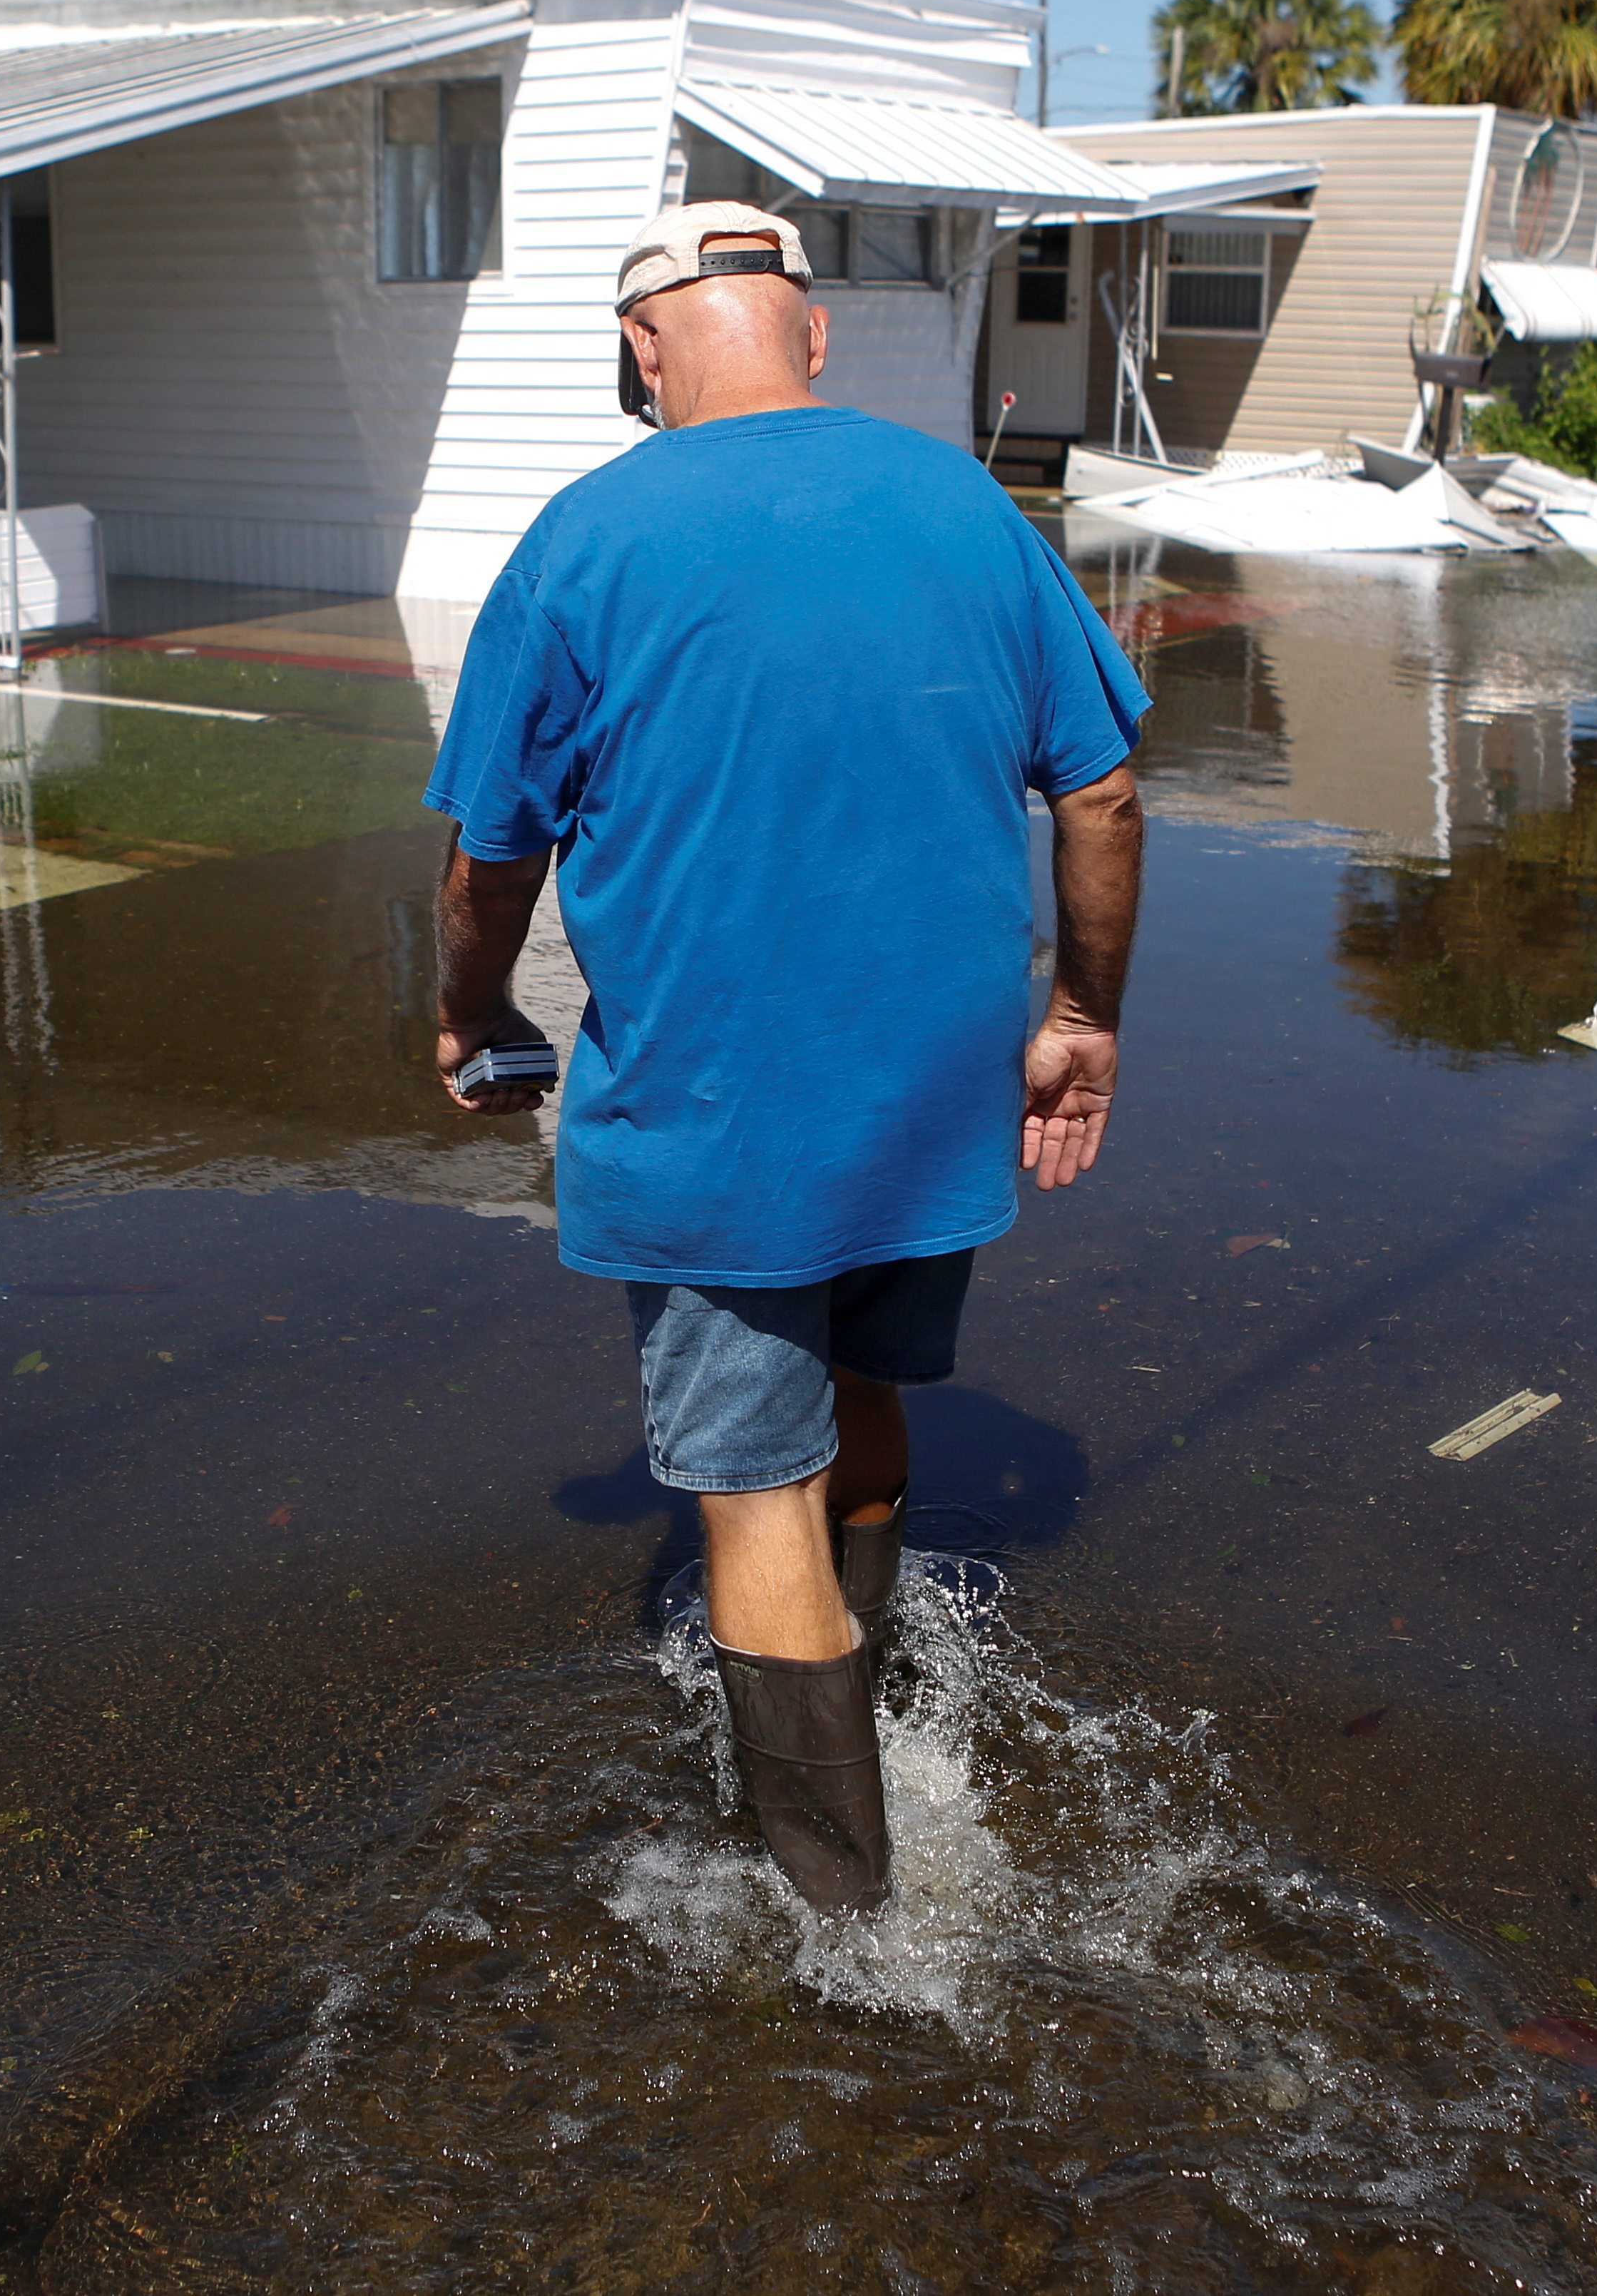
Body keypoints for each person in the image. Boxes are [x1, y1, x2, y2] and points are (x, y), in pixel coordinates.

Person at [419, 200, 1149, 1916]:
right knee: (870, 1391)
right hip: (934, 1090)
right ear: (810, 338)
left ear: (641, 348)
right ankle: (875, 1716)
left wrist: (473, 1003)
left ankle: (848, 1922)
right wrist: (1085, 1017)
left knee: (755, 1492)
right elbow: (1102, 791)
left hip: (717, 1113)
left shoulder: (584, 540)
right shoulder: (967, 505)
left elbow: (485, 861)